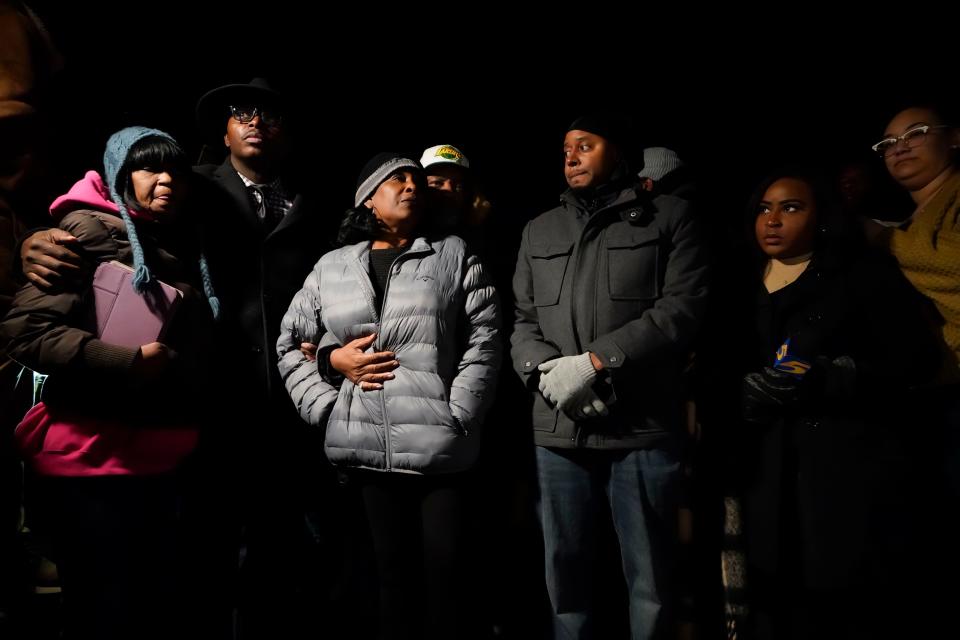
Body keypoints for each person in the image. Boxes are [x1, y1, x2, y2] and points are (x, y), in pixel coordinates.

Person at [0, 126, 219, 640]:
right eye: (148, 168)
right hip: (94, 456)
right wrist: (124, 360)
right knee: (105, 608)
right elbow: (25, 331)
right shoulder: (88, 232)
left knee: (147, 605)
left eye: (174, 170)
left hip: (160, 455)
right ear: (121, 177)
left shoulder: (178, 238)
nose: (165, 180)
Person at [277, 152, 501, 639]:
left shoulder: (454, 253)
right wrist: (325, 393)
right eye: (397, 179)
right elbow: (290, 343)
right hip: (362, 452)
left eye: (416, 180)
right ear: (368, 199)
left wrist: (459, 411)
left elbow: (485, 338)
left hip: (440, 449)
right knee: (386, 585)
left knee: (446, 586)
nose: (411, 186)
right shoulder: (332, 266)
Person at [510, 114, 709, 639]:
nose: (571, 156)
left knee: (651, 581)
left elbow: (683, 307)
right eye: (566, 149)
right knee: (565, 577)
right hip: (558, 429)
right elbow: (522, 320)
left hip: (639, 425)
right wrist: (546, 375)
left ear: (617, 151)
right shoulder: (539, 229)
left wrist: (595, 362)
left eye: (586, 145)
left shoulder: (669, 217)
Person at [732, 169, 937, 639]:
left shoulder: (860, 275)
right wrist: (739, 390)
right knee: (768, 593)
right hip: (762, 465)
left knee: (837, 596)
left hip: (843, 466)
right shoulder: (737, 279)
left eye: (791, 207)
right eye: (765, 208)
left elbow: (915, 358)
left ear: (822, 216)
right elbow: (711, 363)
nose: (774, 220)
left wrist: (835, 375)